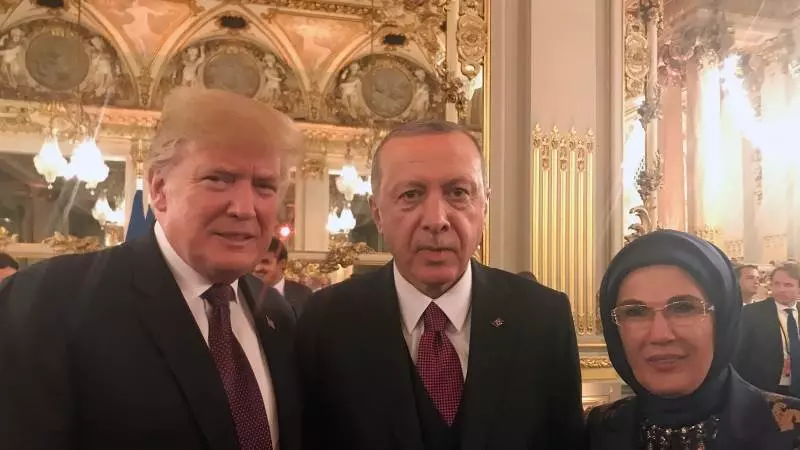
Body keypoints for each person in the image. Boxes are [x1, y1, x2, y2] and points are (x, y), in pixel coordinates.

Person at [0, 87, 304, 450]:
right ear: (159, 189)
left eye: (264, 186)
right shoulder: (49, 302)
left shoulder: (277, 314)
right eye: (219, 179)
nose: (244, 207)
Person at [296, 120, 584, 450]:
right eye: (411, 195)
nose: (436, 220)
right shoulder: (326, 323)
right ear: (377, 213)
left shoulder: (543, 318)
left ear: (484, 206)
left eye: (458, 192)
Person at [587, 230, 800, 449]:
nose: (660, 335)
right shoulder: (596, 430)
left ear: (723, 320)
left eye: (684, 308)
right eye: (635, 312)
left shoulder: (790, 427)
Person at [736, 262, 800, 396]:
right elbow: (737, 355)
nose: (781, 289)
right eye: (776, 284)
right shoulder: (751, 313)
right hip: (763, 390)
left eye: (788, 285)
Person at [253, 237, 312, 316]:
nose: (257, 268)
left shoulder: (304, 294)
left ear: (282, 263)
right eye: (254, 262)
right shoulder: (243, 292)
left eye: (265, 262)